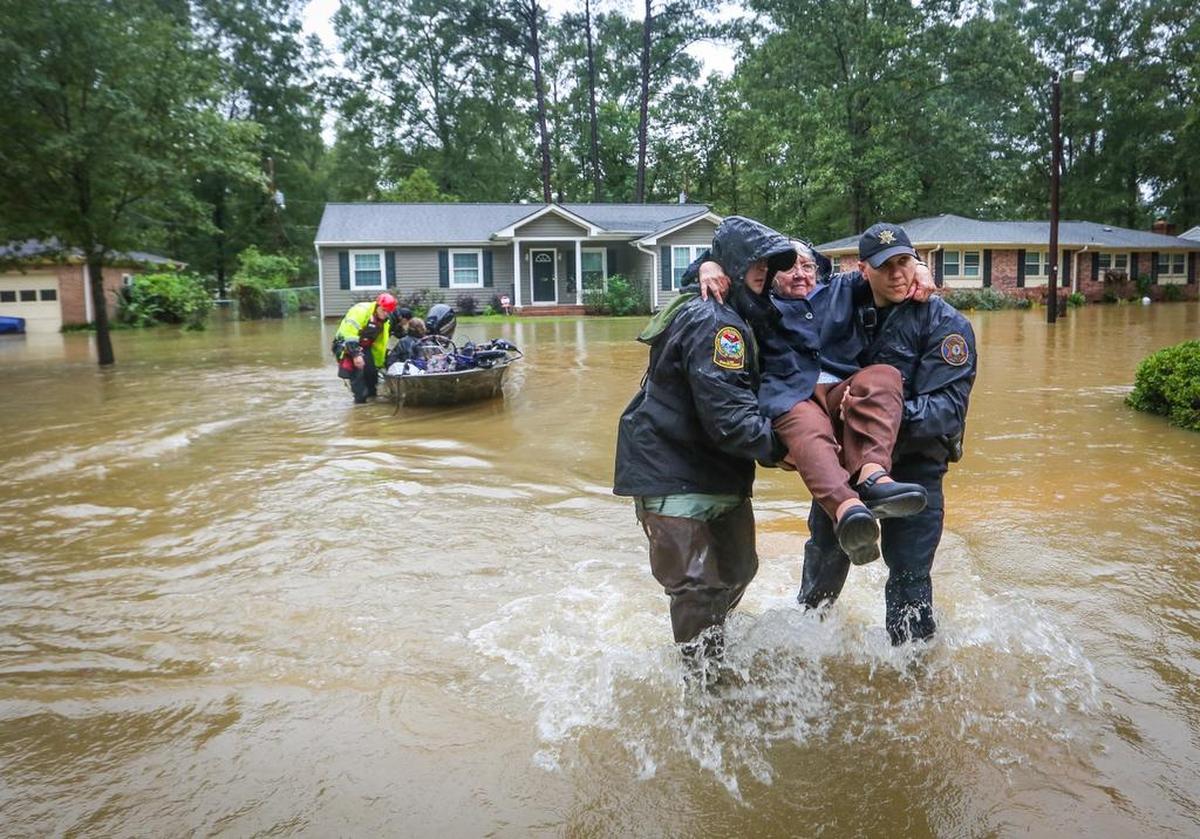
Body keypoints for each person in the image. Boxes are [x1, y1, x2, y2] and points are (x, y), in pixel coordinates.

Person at [613, 216, 796, 668]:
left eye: (772, 265)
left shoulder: (745, 309)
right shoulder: (718, 324)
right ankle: (704, 693)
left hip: (718, 472)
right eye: (758, 263)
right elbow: (730, 419)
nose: (767, 272)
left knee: (738, 572)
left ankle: (710, 655)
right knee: (697, 588)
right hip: (672, 471)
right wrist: (782, 450)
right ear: (732, 266)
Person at [691, 239, 934, 565]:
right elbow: (724, 265)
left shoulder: (841, 289)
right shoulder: (759, 302)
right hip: (791, 394)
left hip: (839, 390)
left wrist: (918, 266)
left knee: (884, 376)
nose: (800, 274)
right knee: (806, 426)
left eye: (807, 266)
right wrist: (707, 265)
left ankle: (874, 477)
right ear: (772, 274)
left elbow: (880, 268)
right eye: (789, 267)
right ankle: (848, 510)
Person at [799, 223, 977, 644]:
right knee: (823, 565)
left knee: (910, 577)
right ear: (864, 270)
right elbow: (784, 271)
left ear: (918, 263)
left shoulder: (946, 325)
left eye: (905, 262)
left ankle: (912, 674)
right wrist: (708, 265)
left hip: (916, 471)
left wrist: (867, 415)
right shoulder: (838, 301)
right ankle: (806, 647)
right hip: (846, 471)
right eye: (886, 266)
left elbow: (948, 411)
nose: (898, 274)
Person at [333, 292, 397, 403]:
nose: (385, 314)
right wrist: (356, 355)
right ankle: (359, 405)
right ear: (378, 306)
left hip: (365, 347)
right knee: (358, 379)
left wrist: (378, 363)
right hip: (346, 345)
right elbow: (349, 334)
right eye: (384, 311)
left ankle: (372, 401)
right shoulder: (360, 311)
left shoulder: (385, 322)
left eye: (388, 312)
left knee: (371, 376)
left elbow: (379, 345)